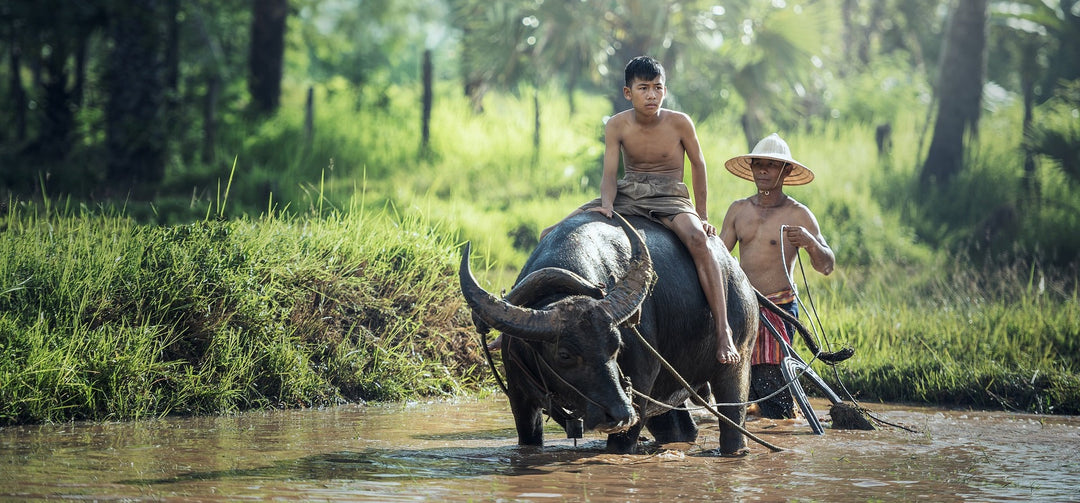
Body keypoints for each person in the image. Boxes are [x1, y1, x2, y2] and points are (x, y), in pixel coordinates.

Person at [524, 55, 738, 365]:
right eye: (644, 88)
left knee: (698, 241)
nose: (652, 95)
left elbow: (698, 165)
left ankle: (723, 329)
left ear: (665, 90)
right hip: (630, 192)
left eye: (657, 88)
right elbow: (610, 174)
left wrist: (702, 215)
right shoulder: (617, 125)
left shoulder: (680, 122)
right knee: (550, 232)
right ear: (628, 92)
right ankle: (519, 323)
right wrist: (607, 204)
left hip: (669, 195)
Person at [718, 133, 835, 419]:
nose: (763, 171)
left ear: (787, 171)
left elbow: (827, 265)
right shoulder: (739, 210)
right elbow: (719, 257)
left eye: (771, 165)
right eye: (758, 164)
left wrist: (810, 242)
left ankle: (782, 425)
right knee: (738, 384)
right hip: (742, 307)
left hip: (778, 308)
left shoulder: (798, 214)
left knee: (772, 384)